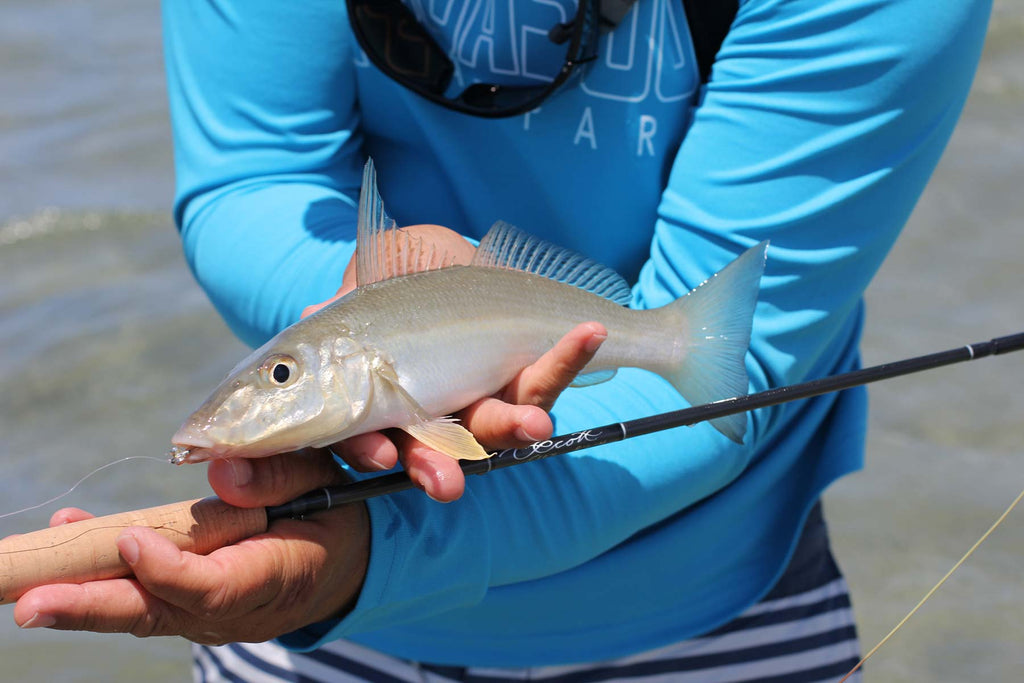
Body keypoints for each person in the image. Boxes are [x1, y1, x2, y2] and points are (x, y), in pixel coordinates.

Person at [14, 0, 992, 680]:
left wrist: (363, 552)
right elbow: (250, 176)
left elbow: (722, 372)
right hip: (313, 602)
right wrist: (348, 290)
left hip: (708, 600)